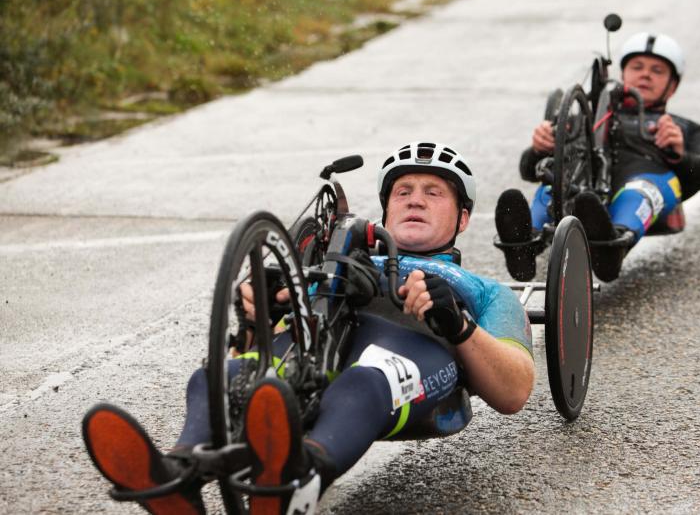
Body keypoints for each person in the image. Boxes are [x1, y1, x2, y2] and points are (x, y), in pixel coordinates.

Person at [81, 142, 535, 515]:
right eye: (403, 191)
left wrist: (459, 325)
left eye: (433, 192)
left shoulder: (486, 290)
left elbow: (514, 389)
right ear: (385, 212)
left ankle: (298, 477)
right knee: (222, 376)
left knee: (365, 382)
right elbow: (254, 348)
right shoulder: (333, 263)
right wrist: (257, 314)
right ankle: (179, 473)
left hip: (413, 352)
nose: (415, 199)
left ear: (463, 218)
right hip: (320, 344)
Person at [495, 32, 700, 282]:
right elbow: (529, 170)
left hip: (644, 181)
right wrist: (539, 149)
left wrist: (681, 154)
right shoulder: (583, 120)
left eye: (657, 71)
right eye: (637, 67)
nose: (646, 74)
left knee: (639, 191)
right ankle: (522, 245)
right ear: (623, 74)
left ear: (672, 86)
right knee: (554, 186)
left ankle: (611, 248)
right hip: (584, 187)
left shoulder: (685, 129)